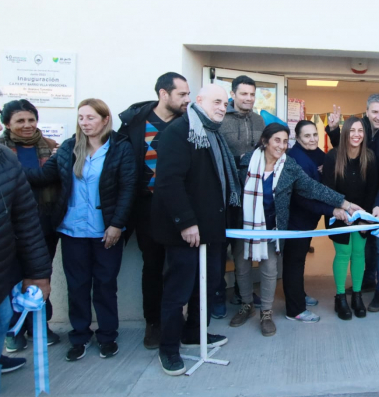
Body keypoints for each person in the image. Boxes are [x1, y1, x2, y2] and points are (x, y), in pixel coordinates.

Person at [24, 98, 136, 361]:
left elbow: (127, 189)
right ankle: (80, 336)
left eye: (91, 118)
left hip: (106, 232)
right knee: (77, 286)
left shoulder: (120, 148)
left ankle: (107, 336)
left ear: (105, 119)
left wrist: (116, 224)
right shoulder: (68, 148)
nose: (84, 123)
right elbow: (42, 177)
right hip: (72, 231)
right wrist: (6, 162)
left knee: (106, 286)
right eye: (81, 118)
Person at [230, 123, 356, 336]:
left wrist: (343, 203)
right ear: (265, 141)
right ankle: (246, 304)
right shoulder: (245, 162)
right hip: (244, 227)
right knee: (242, 268)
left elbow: (313, 187)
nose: (281, 145)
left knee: (270, 270)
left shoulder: (289, 166)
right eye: (276, 140)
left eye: (284, 141)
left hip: (271, 228)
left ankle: (266, 313)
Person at [152, 84, 240, 376]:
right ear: (198, 101)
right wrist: (187, 223)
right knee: (178, 291)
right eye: (216, 101)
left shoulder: (214, 134)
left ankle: (194, 334)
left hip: (212, 231)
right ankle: (169, 349)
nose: (222, 107)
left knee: (207, 284)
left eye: (225, 103)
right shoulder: (180, 132)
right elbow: (169, 183)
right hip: (186, 233)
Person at [118, 72, 191, 349]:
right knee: (152, 266)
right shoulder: (136, 123)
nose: (187, 99)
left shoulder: (189, 123)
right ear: (164, 94)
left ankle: (178, 322)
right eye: (182, 94)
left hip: (180, 208)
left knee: (180, 266)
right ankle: (154, 323)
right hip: (147, 208)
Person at [0, 101, 52, 392]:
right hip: (11, 235)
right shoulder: (5, 152)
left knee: (33, 282)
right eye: (20, 120)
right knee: (10, 294)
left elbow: (54, 179)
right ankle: (13, 337)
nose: (27, 125)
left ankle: (37, 328)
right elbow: (43, 177)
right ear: (9, 124)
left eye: (32, 119)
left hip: (39, 222)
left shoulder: (49, 146)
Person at [326, 94, 379, 312]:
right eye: (374, 112)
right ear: (367, 112)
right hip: (343, 210)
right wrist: (339, 207)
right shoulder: (338, 151)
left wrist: (373, 208)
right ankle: (348, 293)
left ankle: (370, 294)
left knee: (371, 250)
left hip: (372, 208)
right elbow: (343, 153)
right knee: (350, 252)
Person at [216, 75, 266, 318]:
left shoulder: (259, 120)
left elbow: (265, 152)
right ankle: (216, 294)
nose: (248, 98)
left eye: (252, 94)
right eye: (244, 94)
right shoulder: (220, 118)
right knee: (220, 246)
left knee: (243, 245)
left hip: (252, 193)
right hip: (224, 192)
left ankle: (241, 291)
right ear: (233, 94)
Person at [323, 117, 378, 320]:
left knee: (359, 252)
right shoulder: (332, 157)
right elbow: (327, 189)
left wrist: (367, 219)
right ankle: (340, 297)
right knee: (344, 252)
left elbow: (372, 190)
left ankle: (357, 295)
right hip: (338, 213)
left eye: (360, 131)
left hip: (362, 214)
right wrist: (338, 210)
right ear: (345, 132)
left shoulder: (369, 157)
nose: (356, 134)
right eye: (352, 130)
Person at [283, 120, 337, 322]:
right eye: (307, 136)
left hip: (307, 221)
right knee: (293, 262)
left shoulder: (317, 154)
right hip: (295, 220)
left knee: (299, 260)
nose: (312, 138)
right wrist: (333, 210)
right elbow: (303, 197)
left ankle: (298, 294)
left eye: (315, 134)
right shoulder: (296, 158)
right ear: (297, 138)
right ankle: (294, 309)